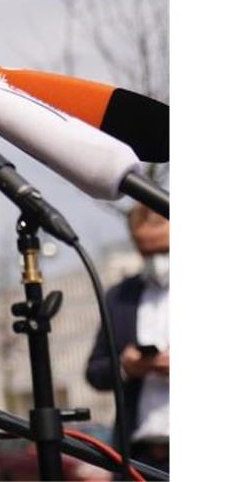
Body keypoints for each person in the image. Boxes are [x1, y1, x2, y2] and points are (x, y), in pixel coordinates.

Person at [85, 203, 169, 474]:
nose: (157, 260)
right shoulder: (120, 298)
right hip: (138, 456)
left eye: (165, 250)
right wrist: (126, 367)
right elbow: (95, 371)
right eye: (148, 252)